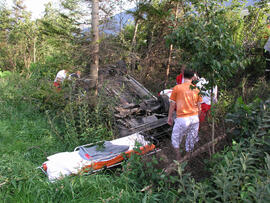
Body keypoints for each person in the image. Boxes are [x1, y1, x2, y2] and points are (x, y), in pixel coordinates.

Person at [167, 69, 202, 160]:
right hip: (194, 118)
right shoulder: (196, 89)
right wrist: (196, 118)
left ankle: (179, 159)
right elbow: (200, 108)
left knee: (175, 139)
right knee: (191, 139)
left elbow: (172, 105)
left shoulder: (177, 88)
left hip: (182, 118)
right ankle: (187, 157)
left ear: (182, 75)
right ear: (193, 77)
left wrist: (169, 117)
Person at [264, 17, 270, 81]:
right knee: (268, 66)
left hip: (266, 50)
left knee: (268, 66)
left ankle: (267, 81)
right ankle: (267, 81)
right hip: (267, 50)